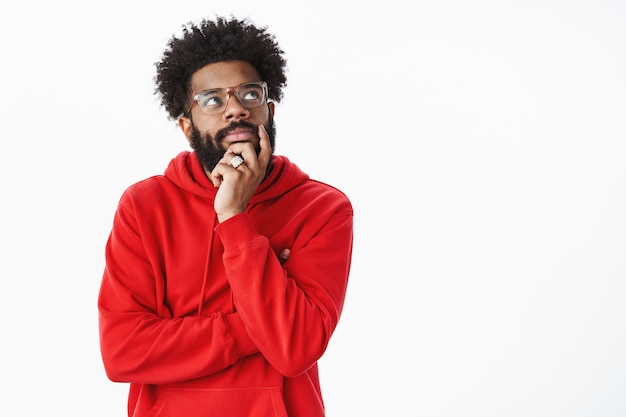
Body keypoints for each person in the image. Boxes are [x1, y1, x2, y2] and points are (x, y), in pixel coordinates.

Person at [97, 16, 354, 417]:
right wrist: (255, 324)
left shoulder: (322, 208)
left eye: (249, 95)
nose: (235, 109)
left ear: (268, 110)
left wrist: (233, 216)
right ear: (186, 127)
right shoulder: (144, 206)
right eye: (213, 100)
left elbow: (295, 349)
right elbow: (122, 352)